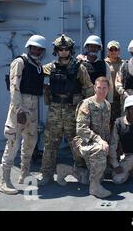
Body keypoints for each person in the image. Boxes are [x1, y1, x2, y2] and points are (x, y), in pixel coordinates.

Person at [38, 35, 94, 186]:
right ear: (56, 50)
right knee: (50, 144)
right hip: (55, 109)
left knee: (76, 144)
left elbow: (89, 89)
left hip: (73, 110)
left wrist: (88, 111)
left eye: (66, 49)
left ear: (70, 50)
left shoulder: (79, 67)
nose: (63, 52)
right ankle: (47, 174)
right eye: (60, 49)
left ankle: (81, 173)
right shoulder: (50, 67)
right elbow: (36, 73)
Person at [0, 35, 46, 194]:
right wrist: (19, 110)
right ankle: (4, 181)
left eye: (39, 49)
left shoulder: (37, 65)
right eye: (34, 48)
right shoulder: (20, 62)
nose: (37, 51)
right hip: (20, 106)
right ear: (29, 47)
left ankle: (24, 173)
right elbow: (14, 87)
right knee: (13, 141)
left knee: (31, 140)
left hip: (33, 105)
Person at [77, 35, 113, 102]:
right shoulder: (79, 63)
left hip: (99, 100)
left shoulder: (104, 65)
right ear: (87, 47)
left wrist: (110, 101)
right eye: (91, 46)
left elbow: (109, 84)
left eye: (96, 47)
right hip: (82, 100)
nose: (93, 49)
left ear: (99, 49)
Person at [105, 40, 123, 126]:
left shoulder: (123, 64)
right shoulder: (103, 63)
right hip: (106, 99)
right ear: (107, 51)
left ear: (119, 51)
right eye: (111, 49)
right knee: (106, 123)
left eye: (115, 50)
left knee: (118, 123)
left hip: (119, 99)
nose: (113, 52)